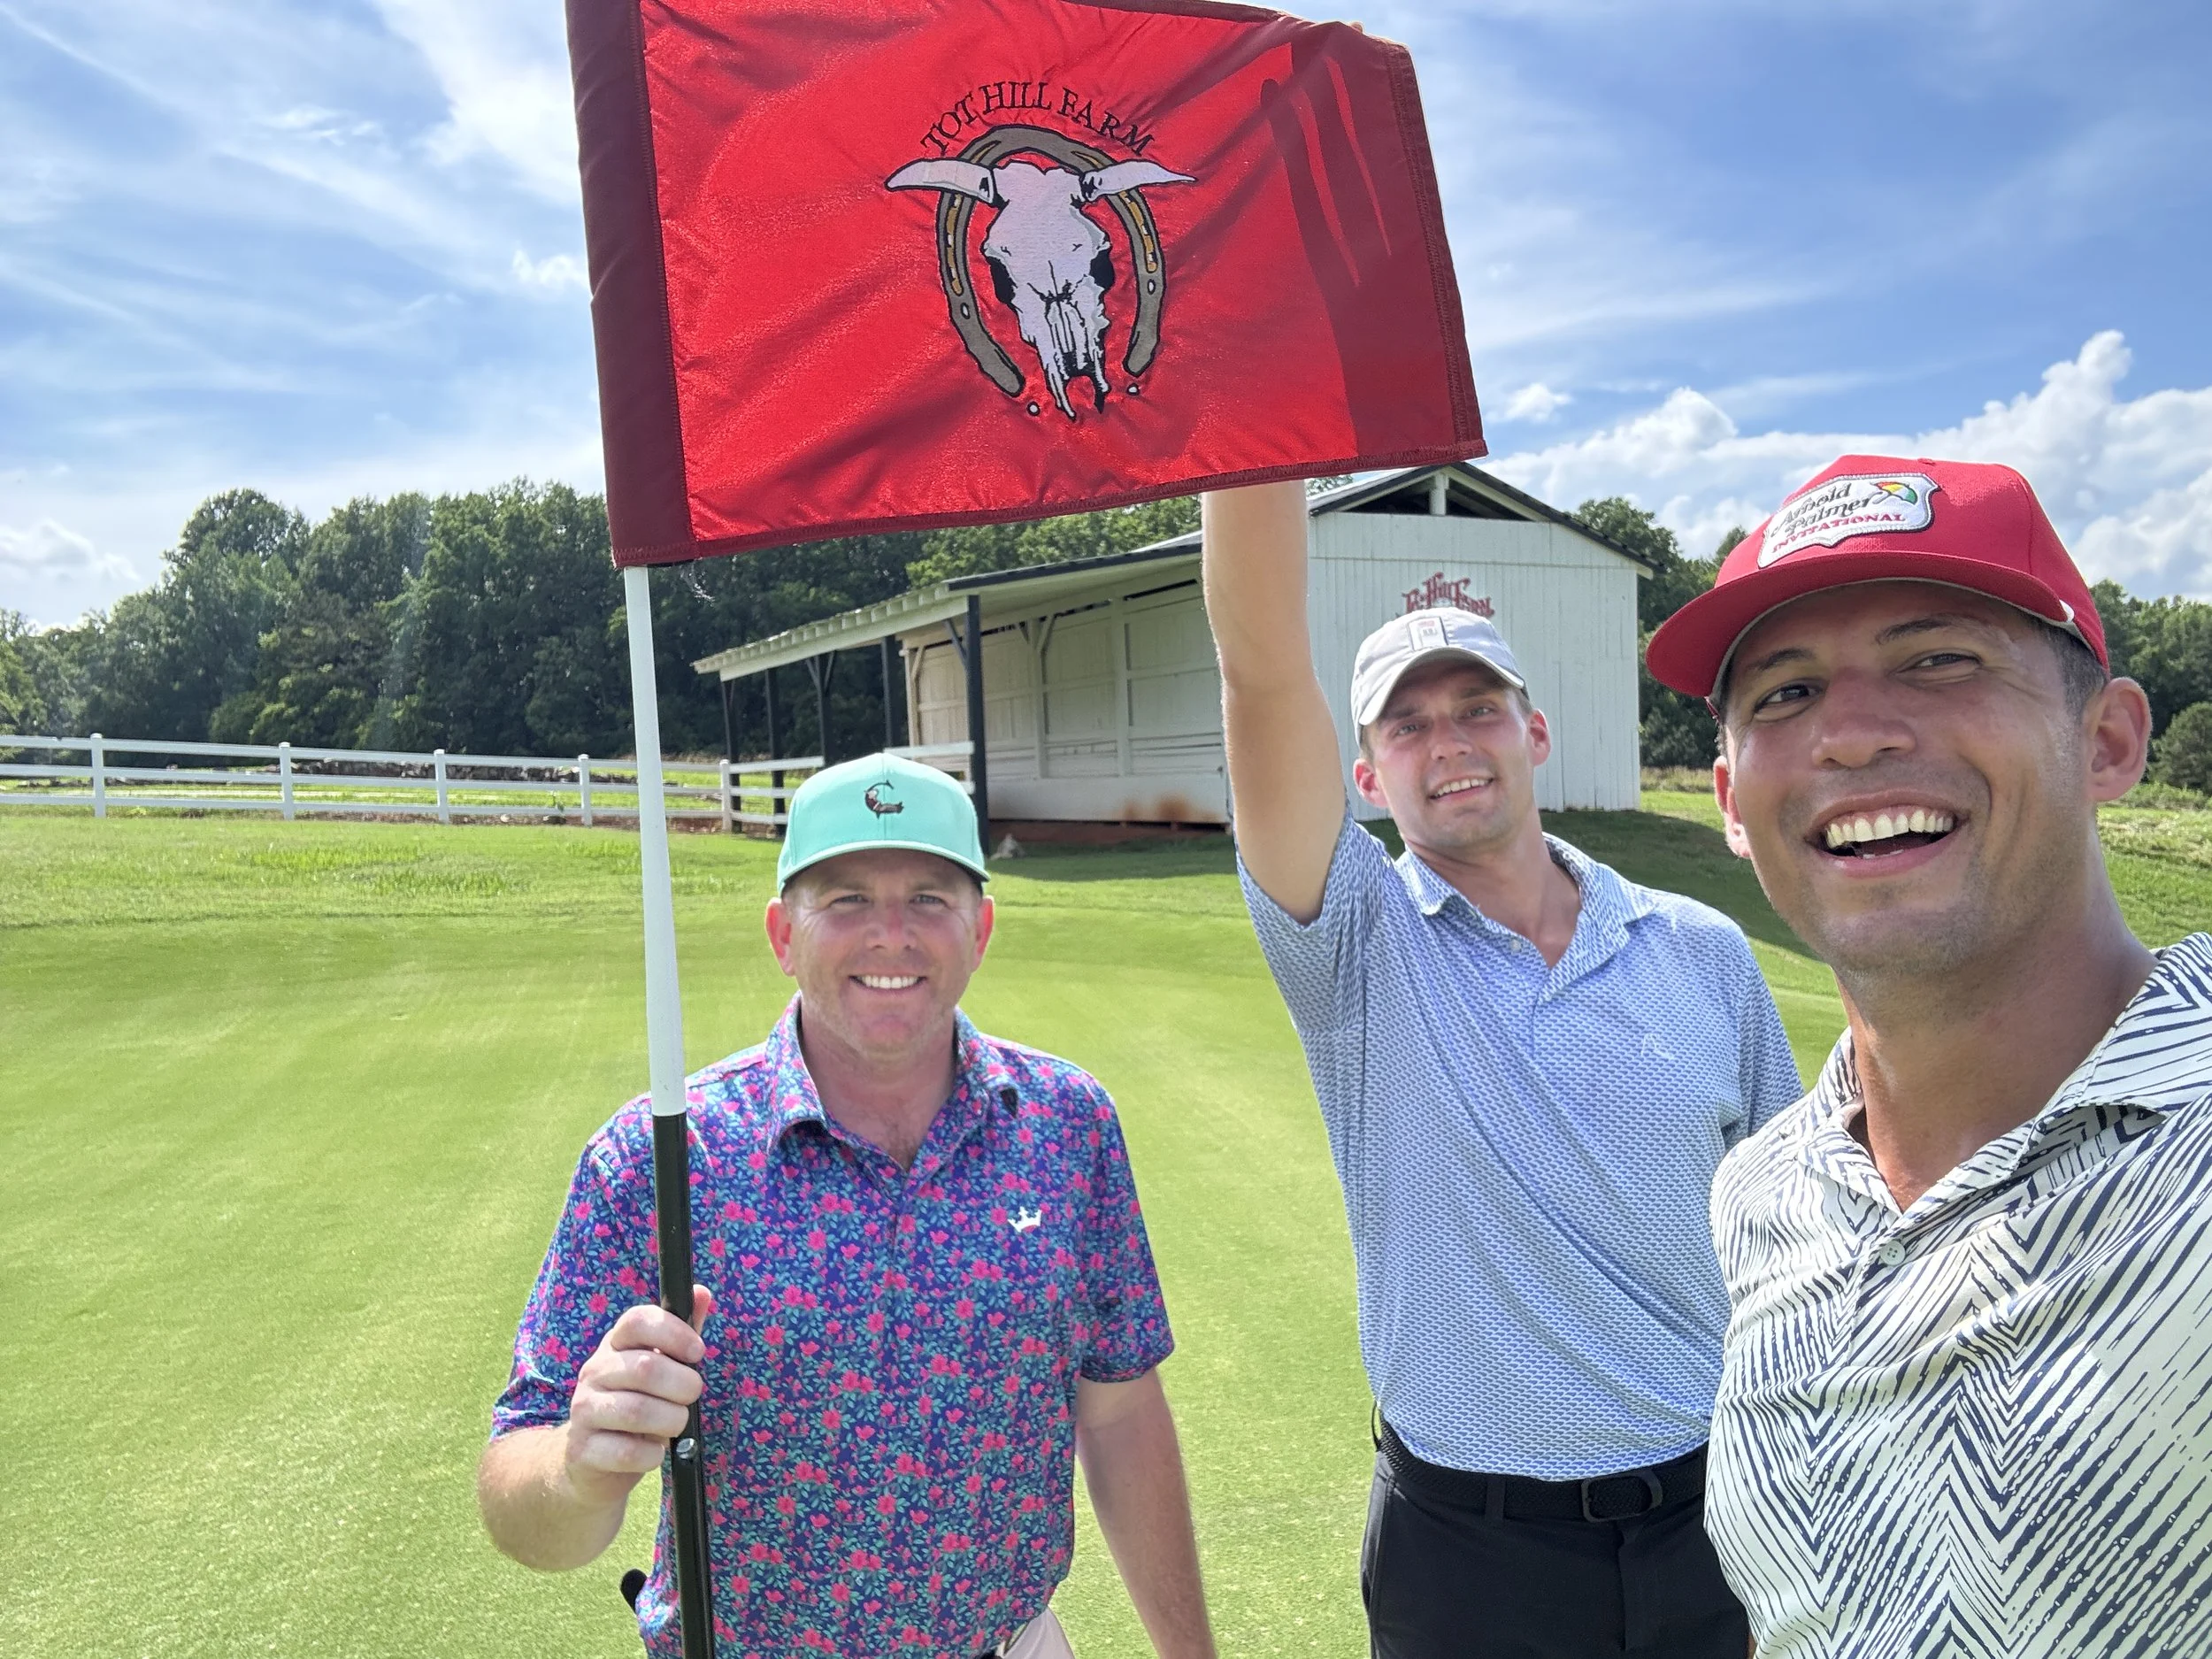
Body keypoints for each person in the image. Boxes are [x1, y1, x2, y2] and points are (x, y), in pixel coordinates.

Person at [1201, 480, 1803, 1659]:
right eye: (1407, 725)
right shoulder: (1355, 942)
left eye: (1477, 707)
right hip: (1471, 1555)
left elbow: (1792, 1237)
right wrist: (1251, 423)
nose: (1450, 742)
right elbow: (1262, 669)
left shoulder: (1701, 948)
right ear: (1366, 775)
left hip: (1713, 1523)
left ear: (1533, 731)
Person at [1646, 454, 2212, 1657]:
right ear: (1732, 805)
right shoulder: (1763, 1194)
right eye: (1785, 693)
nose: (1849, 732)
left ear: (2107, 740)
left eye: (1937, 658)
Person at [477, 753, 1216, 1659]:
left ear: (980, 929)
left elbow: (1121, 1414)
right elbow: (519, 1503)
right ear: (782, 933)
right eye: (847, 900)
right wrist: (579, 1471)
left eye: (929, 899)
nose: (891, 935)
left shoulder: (1068, 1123)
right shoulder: (660, 1157)